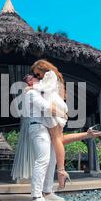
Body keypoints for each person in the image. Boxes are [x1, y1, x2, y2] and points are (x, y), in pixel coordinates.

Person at [13, 74, 101, 201]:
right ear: (31, 82)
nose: (39, 79)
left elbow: (60, 139)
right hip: (37, 127)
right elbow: (47, 108)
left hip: (43, 127)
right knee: (43, 160)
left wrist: (87, 134)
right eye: (35, 78)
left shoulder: (40, 94)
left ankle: (47, 192)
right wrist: (64, 114)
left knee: (52, 159)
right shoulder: (31, 93)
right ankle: (36, 198)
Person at [30, 60, 69, 189]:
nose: (37, 76)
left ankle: (61, 171)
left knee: (57, 139)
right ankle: (60, 172)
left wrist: (32, 87)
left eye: (37, 73)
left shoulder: (50, 75)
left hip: (53, 104)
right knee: (57, 138)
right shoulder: (55, 76)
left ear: (42, 69)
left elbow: (46, 88)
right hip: (56, 104)